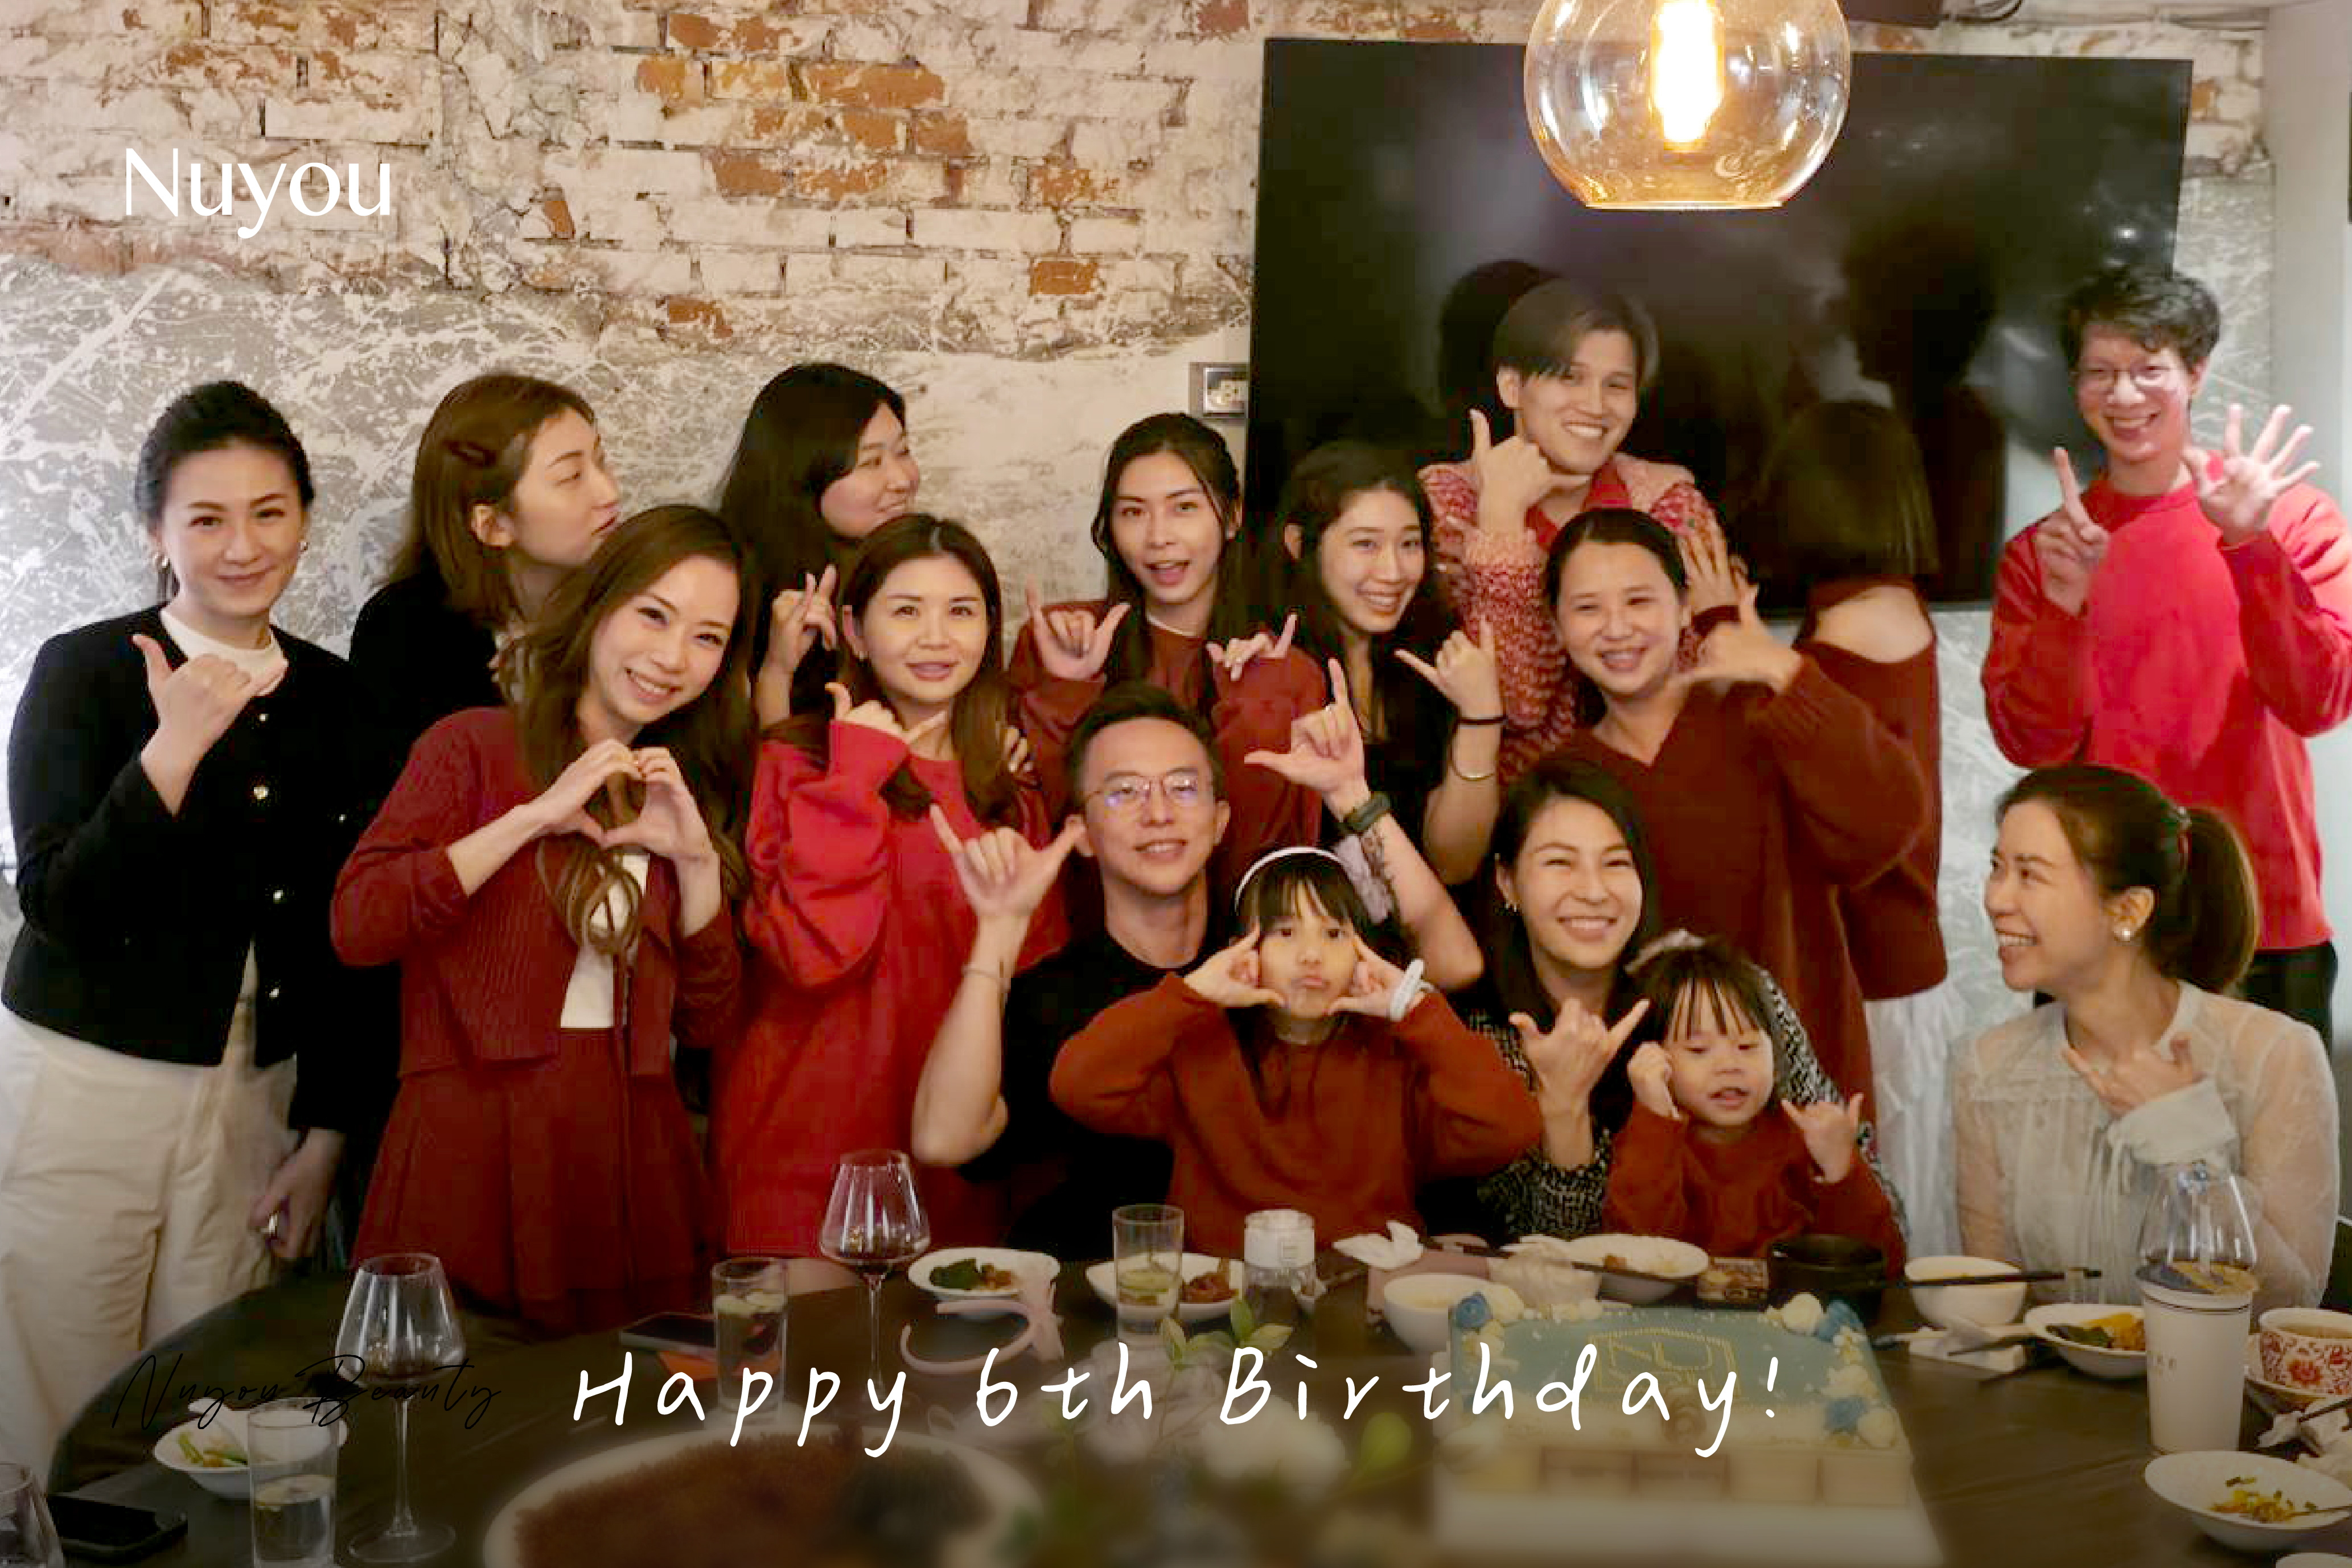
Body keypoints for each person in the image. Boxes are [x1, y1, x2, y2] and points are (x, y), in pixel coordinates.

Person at [0, 383, 375, 1472]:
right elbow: (61, 906)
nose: (242, 547)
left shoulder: (339, 699)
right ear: (155, 532)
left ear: (304, 518)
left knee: (213, 1392)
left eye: (269, 512)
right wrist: (169, 754)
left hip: (258, 1090)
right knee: (55, 1393)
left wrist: (326, 1136)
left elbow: (346, 939)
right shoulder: (84, 670)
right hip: (86, 1083)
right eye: (206, 519)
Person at [333, 506, 753, 1333]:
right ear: (597, 605)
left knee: (622, 1407)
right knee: (457, 1397)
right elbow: (359, 924)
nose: (673, 657)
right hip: (473, 1142)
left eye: (707, 637)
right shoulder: (472, 745)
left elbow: (707, 1023)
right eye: (654, 614)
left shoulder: (676, 785)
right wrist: (532, 817)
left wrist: (698, 861)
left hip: (632, 1151)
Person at [914, 673, 1490, 1257]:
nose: (1158, 812)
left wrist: (1352, 799)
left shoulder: (1277, 955)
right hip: (1107, 1287)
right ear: (1081, 834)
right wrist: (999, 929)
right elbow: (944, 1140)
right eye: (1123, 792)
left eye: (1184, 788)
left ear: (1219, 821)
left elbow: (1455, 962)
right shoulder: (1054, 996)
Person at [1983, 264, 2351, 1046]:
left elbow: (2318, 701)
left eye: (2149, 368)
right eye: (2100, 372)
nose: (2124, 395)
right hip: (2095, 921)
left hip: (2260, 910)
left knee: (2271, 1128)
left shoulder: (2290, 519)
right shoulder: (2047, 553)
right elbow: (2031, 743)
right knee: (2089, 1130)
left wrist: (2250, 546)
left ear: (2196, 372)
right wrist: (2064, 608)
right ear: (2076, 385)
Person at [721, 515, 1066, 1255]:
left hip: (956, 1157)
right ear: (855, 629)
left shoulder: (1009, 791)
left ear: (990, 629)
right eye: (906, 610)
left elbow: (1035, 992)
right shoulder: (798, 762)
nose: (936, 637)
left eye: (961, 611)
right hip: (807, 1145)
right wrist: (855, 775)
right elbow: (814, 956)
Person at [1550, 508, 1929, 1097]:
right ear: (1555, 627)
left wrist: (1783, 669)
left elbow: (1892, 821)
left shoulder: (1762, 719)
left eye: (1639, 601)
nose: (1617, 628)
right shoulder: (1563, 777)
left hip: (1799, 1090)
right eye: (1587, 608)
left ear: (1684, 608)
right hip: (1649, 1105)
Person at [1957, 764, 2338, 1311]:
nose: (1997, 899)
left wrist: (2189, 1149)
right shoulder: (1988, 1065)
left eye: (2029, 875)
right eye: (1996, 868)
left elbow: (2291, 1305)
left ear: (2129, 909)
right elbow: (1993, 1303)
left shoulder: (2275, 1057)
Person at [1453, 757, 1868, 1244]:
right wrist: (1563, 1107)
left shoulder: (1719, 994)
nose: (1594, 891)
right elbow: (1551, 1253)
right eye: (1560, 862)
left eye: (1616, 862)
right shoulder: (1484, 1037)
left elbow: (1867, 1187)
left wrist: (1842, 1165)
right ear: (1507, 880)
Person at [1050, 849, 1541, 1256]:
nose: (1311, 954)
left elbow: (1511, 1130)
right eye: (1285, 933)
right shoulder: (1202, 1047)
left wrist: (1415, 1009)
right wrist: (1191, 994)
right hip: (1225, 1299)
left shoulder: (1395, 1052)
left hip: (1366, 1299)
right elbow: (1078, 1085)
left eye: (1334, 934)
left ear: (1363, 953)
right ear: (1242, 950)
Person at [1755, 400, 1955, 1252]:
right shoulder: (1882, 603)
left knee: (1879, 1210)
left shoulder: (1850, 629)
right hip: (1892, 962)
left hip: (1878, 973)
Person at [1010, 412, 1323, 896]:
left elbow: (1263, 872)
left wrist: (1254, 709)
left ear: (1233, 516)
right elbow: (1046, 839)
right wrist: (1067, 689)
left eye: (1184, 508)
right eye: (1133, 512)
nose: (1159, 537)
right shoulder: (1055, 641)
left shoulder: (1285, 672)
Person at [1418, 281, 1720, 781]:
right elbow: (1515, 704)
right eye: (1569, 377)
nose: (1595, 405)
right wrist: (1500, 522)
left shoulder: (1670, 506)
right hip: (1505, 803)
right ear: (1511, 386)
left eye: (1617, 385)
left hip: (1655, 790)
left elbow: (1702, 688)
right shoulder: (1447, 506)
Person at [349, 373, 619, 787]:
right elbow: (415, 807)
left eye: (601, 462)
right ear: (493, 525)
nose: (609, 493)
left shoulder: (627, 606)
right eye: (571, 477)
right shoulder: (404, 631)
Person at [1259, 439, 1504, 884]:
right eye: (1366, 544)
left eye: (1409, 544)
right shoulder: (1270, 662)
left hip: (1428, 920)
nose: (1392, 572)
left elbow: (1454, 864)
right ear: (1299, 544)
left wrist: (1481, 716)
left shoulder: (1434, 661)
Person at [1603, 934, 1903, 1268]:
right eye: (1699, 1050)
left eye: (1747, 1046)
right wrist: (1655, 1117)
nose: (1730, 1065)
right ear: (1653, 1057)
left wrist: (1840, 1167)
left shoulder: (1803, 1141)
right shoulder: (1649, 1141)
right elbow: (1637, 1258)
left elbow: (1883, 1264)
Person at [715, 362, 918, 726]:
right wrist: (778, 670)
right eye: (871, 462)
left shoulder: (917, 565)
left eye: (903, 451)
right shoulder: (733, 593)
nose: (902, 480)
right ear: (803, 474)